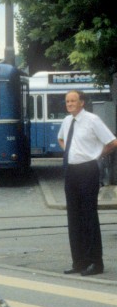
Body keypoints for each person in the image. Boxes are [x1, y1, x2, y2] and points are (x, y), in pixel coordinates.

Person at [59, 90, 117, 276]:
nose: (69, 104)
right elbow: (61, 139)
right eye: (67, 101)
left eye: (73, 101)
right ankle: (79, 261)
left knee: (88, 216)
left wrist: (96, 155)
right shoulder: (67, 121)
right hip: (71, 171)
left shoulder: (92, 120)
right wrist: (71, 152)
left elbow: (112, 142)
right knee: (73, 217)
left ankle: (95, 263)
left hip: (87, 170)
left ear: (82, 102)